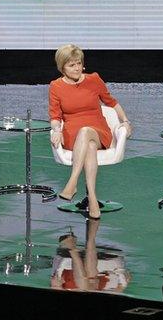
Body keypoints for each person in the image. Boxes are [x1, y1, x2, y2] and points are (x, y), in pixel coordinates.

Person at [48, 44, 132, 219]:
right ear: (62, 67)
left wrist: (125, 121)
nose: (77, 68)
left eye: (79, 63)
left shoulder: (94, 79)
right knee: (90, 147)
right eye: (72, 65)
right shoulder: (56, 86)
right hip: (72, 134)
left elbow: (111, 102)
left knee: (86, 132)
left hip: (98, 130)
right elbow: (55, 115)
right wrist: (56, 130)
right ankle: (92, 199)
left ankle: (72, 182)